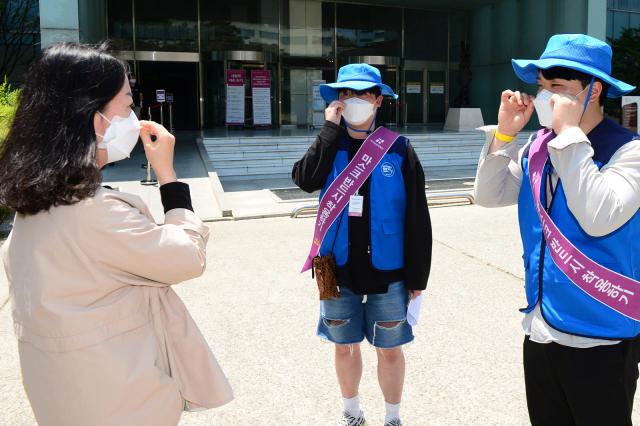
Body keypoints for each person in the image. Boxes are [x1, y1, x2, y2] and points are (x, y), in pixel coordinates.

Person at [0, 42, 233, 425]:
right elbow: (186, 257)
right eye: (127, 105)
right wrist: (169, 178)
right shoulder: (95, 212)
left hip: (69, 393)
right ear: (96, 120)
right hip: (120, 397)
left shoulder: (35, 202)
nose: (134, 117)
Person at [474, 34, 640, 425]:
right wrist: (504, 135)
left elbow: (598, 215)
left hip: (602, 328)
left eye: (559, 89)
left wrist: (568, 138)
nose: (547, 99)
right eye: (542, 87)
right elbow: (488, 194)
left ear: (593, 91)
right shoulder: (538, 145)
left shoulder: (628, 150)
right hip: (542, 323)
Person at [292, 63, 433, 426]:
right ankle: (351, 411)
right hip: (329, 269)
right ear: (336, 102)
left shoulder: (399, 149)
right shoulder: (330, 143)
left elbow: (418, 217)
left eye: (362, 95)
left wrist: (418, 277)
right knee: (342, 344)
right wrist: (328, 130)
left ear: (378, 101)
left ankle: (392, 417)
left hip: (391, 269)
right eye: (345, 95)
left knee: (390, 349)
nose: (353, 101)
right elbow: (305, 180)